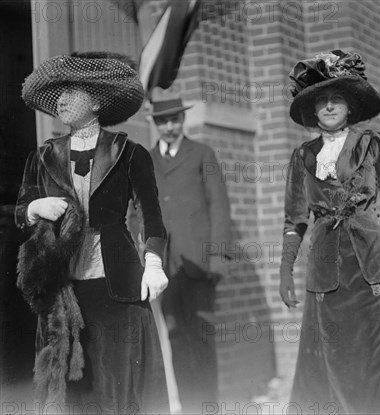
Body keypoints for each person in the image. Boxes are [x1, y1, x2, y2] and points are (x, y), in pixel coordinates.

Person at [16, 51, 170, 414]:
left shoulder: (130, 152)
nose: (62, 100)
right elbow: (21, 210)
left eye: (73, 92)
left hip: (116, 284)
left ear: (97, 100)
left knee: (119, 386)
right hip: (63, 289)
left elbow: (151, 215)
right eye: (59, 94)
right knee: (70, 391)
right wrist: (35, 208)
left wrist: (153, 263)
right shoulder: (42, 156)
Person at [279, 50, 380, 415]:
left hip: (374, 268)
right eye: (321, 100)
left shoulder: (370, 144)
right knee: (330, 363)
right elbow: (294, 219)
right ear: (312, 110)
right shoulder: (302, 157)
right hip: (326, 274)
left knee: (378, 361)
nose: (329, 106)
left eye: (336, 98)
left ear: (349, 106)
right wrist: (286, 271)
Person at [145, 98, 232, 413]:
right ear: (156, 124)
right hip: (166, 267)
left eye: (174, 120)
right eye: (163, 121)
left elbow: (219, 206)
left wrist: (219, 256)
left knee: (201, 338)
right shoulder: (146, 159)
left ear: (183, 121)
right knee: (176, 339)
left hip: (199, 263)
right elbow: (137, 209)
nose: (169, 127)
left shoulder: (202, 154)